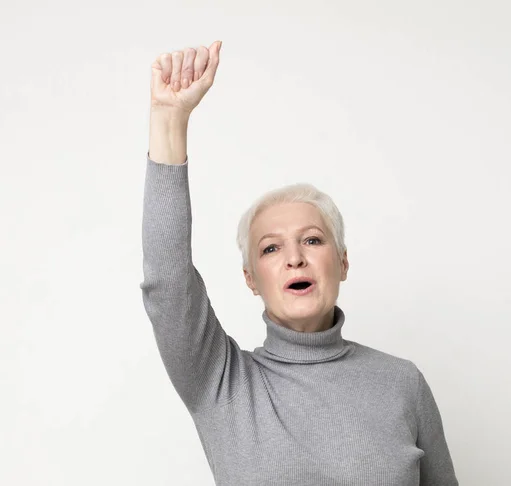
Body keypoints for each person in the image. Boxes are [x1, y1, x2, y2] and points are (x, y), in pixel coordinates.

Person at [140, 40, 459, 486]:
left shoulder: (402, 383)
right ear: (251, 279)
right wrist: (169, 121)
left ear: (342, 263)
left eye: (312, 239)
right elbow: (167, 283)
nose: (294, 258)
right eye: (271, 248)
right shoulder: (222, 381)